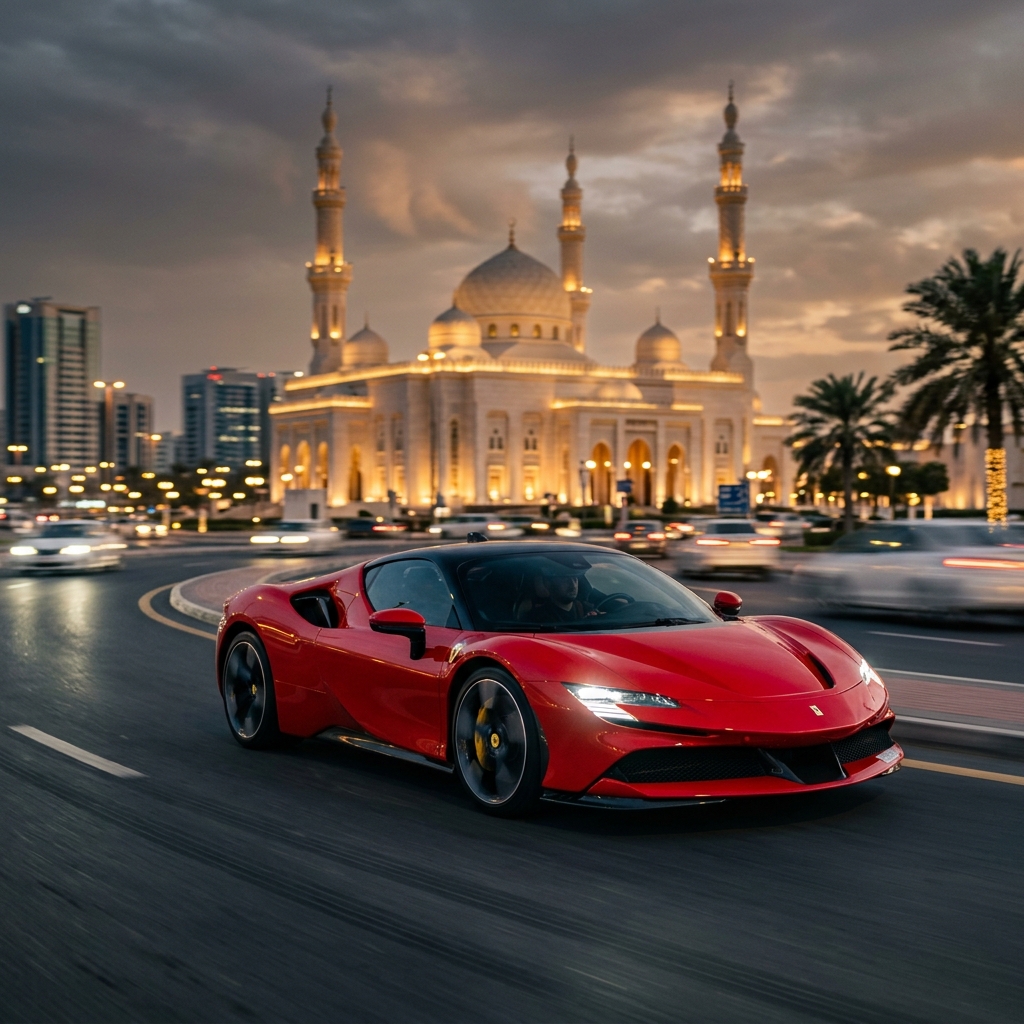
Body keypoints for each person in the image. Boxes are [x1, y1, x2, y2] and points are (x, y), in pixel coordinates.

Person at [516, 558, 595, 624]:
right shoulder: (536, 619)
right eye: (565, 579)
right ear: (548, 584)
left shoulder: (587, 608)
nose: (572, 584)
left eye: (575, 579)